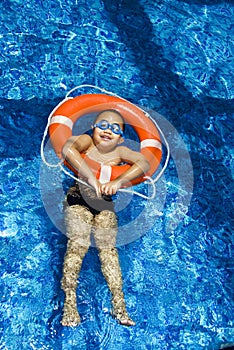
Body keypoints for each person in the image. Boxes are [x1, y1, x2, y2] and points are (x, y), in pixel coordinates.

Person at [61, 109, 150, 327]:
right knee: (78, 245)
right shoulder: (87, 142)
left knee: (108, 249)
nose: (107, 131)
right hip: (78, 198)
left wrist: (118, 181)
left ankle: (118, 305)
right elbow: (67, 148)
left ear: (121, 137)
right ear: (93, 128)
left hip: (104, 205)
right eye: (103, 125)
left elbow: (144, 163)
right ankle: (69, 303)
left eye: (115, 128)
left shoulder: (119, 153)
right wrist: (90, 177)